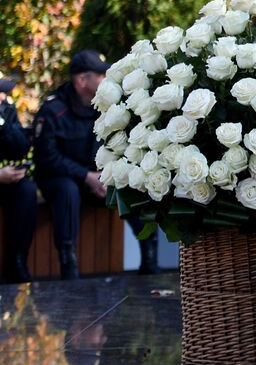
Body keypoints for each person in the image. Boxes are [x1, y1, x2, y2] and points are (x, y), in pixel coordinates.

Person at [33, 50, 160, 279]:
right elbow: (47, 158)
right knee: (67, 190)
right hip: (63, 179)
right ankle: (68, 264)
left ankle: (150, 257)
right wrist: (86, 176)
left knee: (129, 179)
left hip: (97, 177)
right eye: (101, 74)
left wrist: (105, 174)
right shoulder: (53, 110)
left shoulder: (106, 106)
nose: (106, 79)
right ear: (82, 80)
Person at [0, 74, 36, 282]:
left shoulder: (6, 111)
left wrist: (5, 127)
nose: (2, 98)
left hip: (6, 180)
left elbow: (21, 148)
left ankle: (18, 262)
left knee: (26, 191)